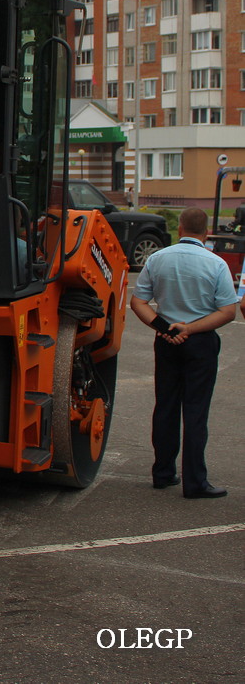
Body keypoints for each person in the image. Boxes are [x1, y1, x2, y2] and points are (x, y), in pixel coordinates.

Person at [130, 207, 236, 498]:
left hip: (166, 340)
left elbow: (138, 302)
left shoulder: (157, 258)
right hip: (199, 341)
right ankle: (195, 482)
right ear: (206, 232)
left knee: (165, 406)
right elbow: (228, 311)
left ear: (180, 230)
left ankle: (163, 473)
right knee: (195, 411)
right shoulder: (216, 264)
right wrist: (189, 329)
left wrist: (164, 328)